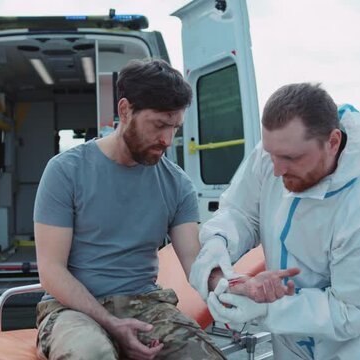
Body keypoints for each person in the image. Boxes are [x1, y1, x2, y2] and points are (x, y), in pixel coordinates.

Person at [189, 83, 360, 359]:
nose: (276, 170)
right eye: (271, 154)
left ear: (333, 142)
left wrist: (268, 309)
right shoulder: (276, 153)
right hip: (292, 339)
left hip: (358, 345)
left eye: (290, 158)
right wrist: (219, 242)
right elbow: (242, 212)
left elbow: (350, 312)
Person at [33, 58, 226, 360]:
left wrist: (230, 285)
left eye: (174, 127)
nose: (167, 140)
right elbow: (51, 271)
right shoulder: (65, 171)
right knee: (91, 353)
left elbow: (195, 261)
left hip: (143, 303)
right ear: (125, 110)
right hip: (71, 309)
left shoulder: (177, 184)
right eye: (159, 125)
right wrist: (110, 323)